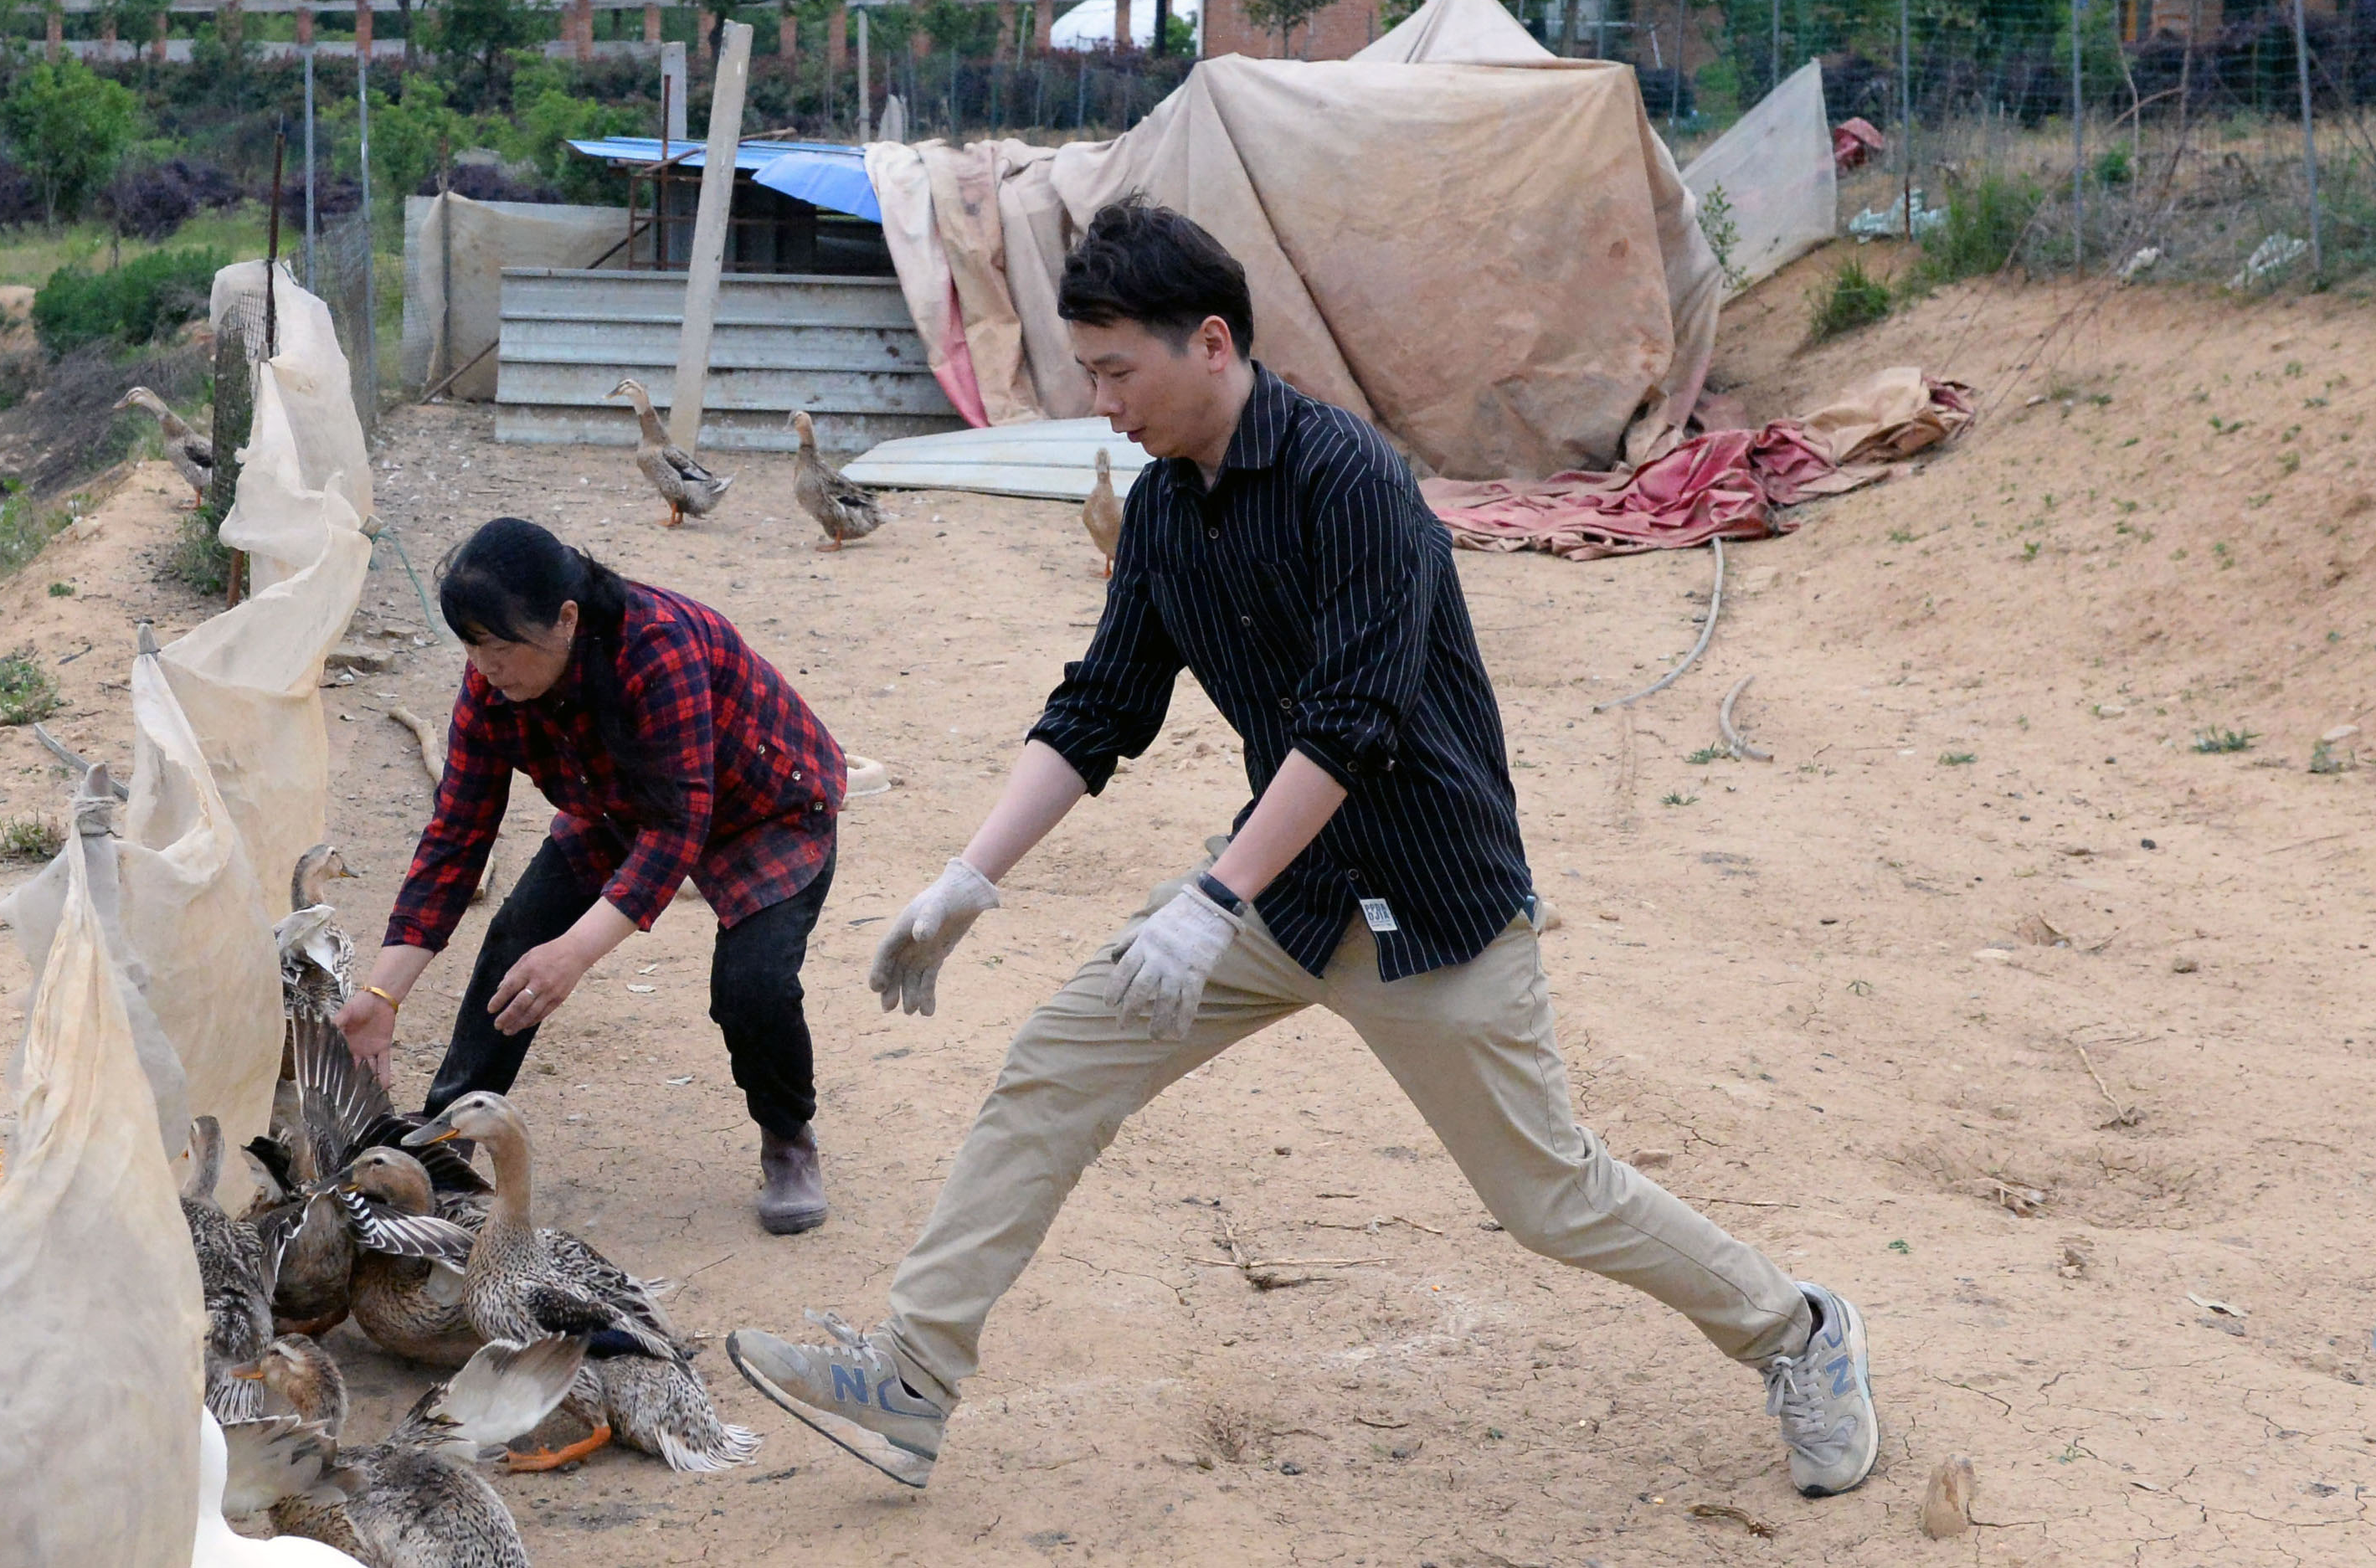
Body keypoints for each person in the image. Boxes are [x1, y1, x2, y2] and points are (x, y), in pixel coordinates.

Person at [724, 201, 1880, 1498]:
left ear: (1210, 341)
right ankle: (915, 1372)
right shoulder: (1165, 507)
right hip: (1280, 895)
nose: (1102, 403)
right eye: (1087, 372)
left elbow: (1355, 720)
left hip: (1429, 904)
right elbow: (1103, 704)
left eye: (1117, 370)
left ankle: (1801, 1330)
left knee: (1551, 1194)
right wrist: (969, 875)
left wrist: (1213, 892)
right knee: (1055, 1065)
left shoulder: (1353, 479)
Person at [336, 517, 848, 1233]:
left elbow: (679, 828)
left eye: (502, 645)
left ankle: (788, 1138)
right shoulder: (493, 683)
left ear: (567, 619)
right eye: (472, 645)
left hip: (765, 803)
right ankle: (447, 1135)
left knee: (752, 986)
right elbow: (457, 835)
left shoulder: (657, 647)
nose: (486, 666)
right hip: (620, 803)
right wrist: (383, 990)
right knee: (519, 935)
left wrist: (576, 952)